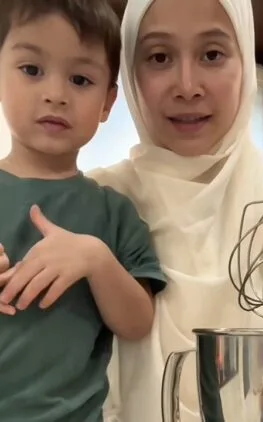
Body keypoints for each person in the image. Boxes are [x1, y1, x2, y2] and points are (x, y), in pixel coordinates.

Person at [83, 1, 263, 421]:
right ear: (131, 74)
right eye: (159, 57)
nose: (187, 86)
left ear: (244, 62)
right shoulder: (94, 202)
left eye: (212, 54)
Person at [0, 1, 166, 421]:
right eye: (32, 69)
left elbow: (137, 323)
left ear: (108, 103)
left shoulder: (114, 213)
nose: (55, 94)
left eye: (80, 79)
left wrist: (96, 259)